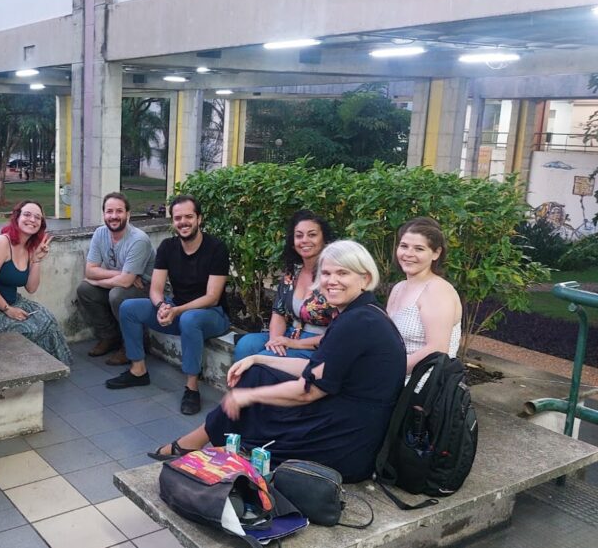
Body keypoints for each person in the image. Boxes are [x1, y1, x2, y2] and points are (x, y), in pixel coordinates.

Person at [149, 241, 406, 482]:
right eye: (326, 274)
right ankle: (207, 448)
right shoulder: (361, 313)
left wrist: (248, 397)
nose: (332, 281)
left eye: (343, 273)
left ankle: (204, 451)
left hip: (347, 439)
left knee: (256, 399)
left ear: (366, 279)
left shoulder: (356, 322)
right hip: (347, 417)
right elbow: (315, 367)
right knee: (258, 372)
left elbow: (308, 391)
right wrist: (257, 358)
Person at [106, 195, 231, 415]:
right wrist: (162, 305)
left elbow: (212, 296)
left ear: (199, 219)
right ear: (173, 221)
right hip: (176, 309)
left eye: (189, 217)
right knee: (129, 307)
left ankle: (192, 387)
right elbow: (155, 288)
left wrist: (178, 310)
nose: (183, 222)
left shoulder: (216, 248)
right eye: (178, 218)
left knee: (190, 319)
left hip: (211, 314)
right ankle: (138, 370)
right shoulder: (167, 247)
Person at [0, 200, 72, 364]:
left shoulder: (30, 247)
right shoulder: (1, 243)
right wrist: (8, 310)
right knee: (27, 329)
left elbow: (31, 288)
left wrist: (36, 260)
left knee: (48, 319)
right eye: (27, 214)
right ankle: (28, 370)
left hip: (13, 301)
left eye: (37, 217)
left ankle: (50, 367)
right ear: (17, 217)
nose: (32, 220)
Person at [234, 210, 338, 361]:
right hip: (292, 334)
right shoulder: (292, 273)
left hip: (320, 343)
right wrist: (275, 340)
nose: (304, 240)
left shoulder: (335, 276)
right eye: (299, 235)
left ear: (324, 239)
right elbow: (279, 313)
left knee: (264, 360)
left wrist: (294, 343)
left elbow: (341, 332)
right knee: (246, 345)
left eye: (312, 234)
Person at [77, 192, 156, 365]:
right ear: (104, 214)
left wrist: (100, 278)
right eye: (109, 211)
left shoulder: (138, 240)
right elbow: (90, 271)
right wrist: (121, 275)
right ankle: (110, 337)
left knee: (117, 294)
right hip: (121, 283)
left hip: (145, 288)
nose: (114, 216)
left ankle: (132, 346)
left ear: (128, 214)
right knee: (85, 290)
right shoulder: (100, 233)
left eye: (119, 211)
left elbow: (126, 282)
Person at [386, 217, 462, 374]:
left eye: (419, 249)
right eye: (404, 246)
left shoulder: (437, 291)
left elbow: (437, 350)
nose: (408, 254)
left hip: (420, 384)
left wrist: (388, 370)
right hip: (393, 375)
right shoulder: (398, 288)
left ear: (436, 253)